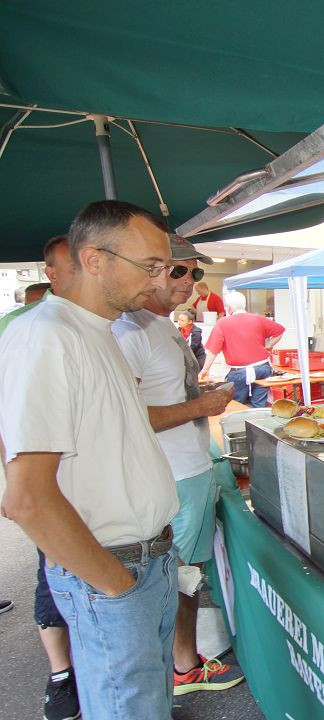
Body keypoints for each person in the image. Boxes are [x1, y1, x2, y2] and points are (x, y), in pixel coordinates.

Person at [0, 200, 180, 719]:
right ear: (94, 259)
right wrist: (114, 584)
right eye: (150, 265)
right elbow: (27, 497)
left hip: (146, 562)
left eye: (163, 267)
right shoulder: (46, 337)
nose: (160, 279)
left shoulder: (97, 332)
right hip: (114, 571)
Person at [111, 234, 245, 697]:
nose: (189, 281)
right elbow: (125, 418)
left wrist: (203, 399)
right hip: (170, 475)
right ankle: (182, 667)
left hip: (190, 468)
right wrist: (202, 406)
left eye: (195, 272)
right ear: (150, 270)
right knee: (181, 575)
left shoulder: (164, 326)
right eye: (177, 270)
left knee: (188, 572)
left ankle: (179, 661)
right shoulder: (129, 331)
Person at [0, 235, 82, 720]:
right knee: (53, 573)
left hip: (85, 488)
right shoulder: (28, 331)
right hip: (49, 484)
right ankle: (60, 676)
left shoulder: (89, 328)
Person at [198, 291, 285, 407]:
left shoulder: (222, 323)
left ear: (228, 307)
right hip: (262, 368)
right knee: (259, 406)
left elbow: (213, 351)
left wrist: (205, 369)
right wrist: (269, 345)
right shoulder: (258, 319)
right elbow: (280, 331)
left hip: (239, 372)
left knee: (236, 406)